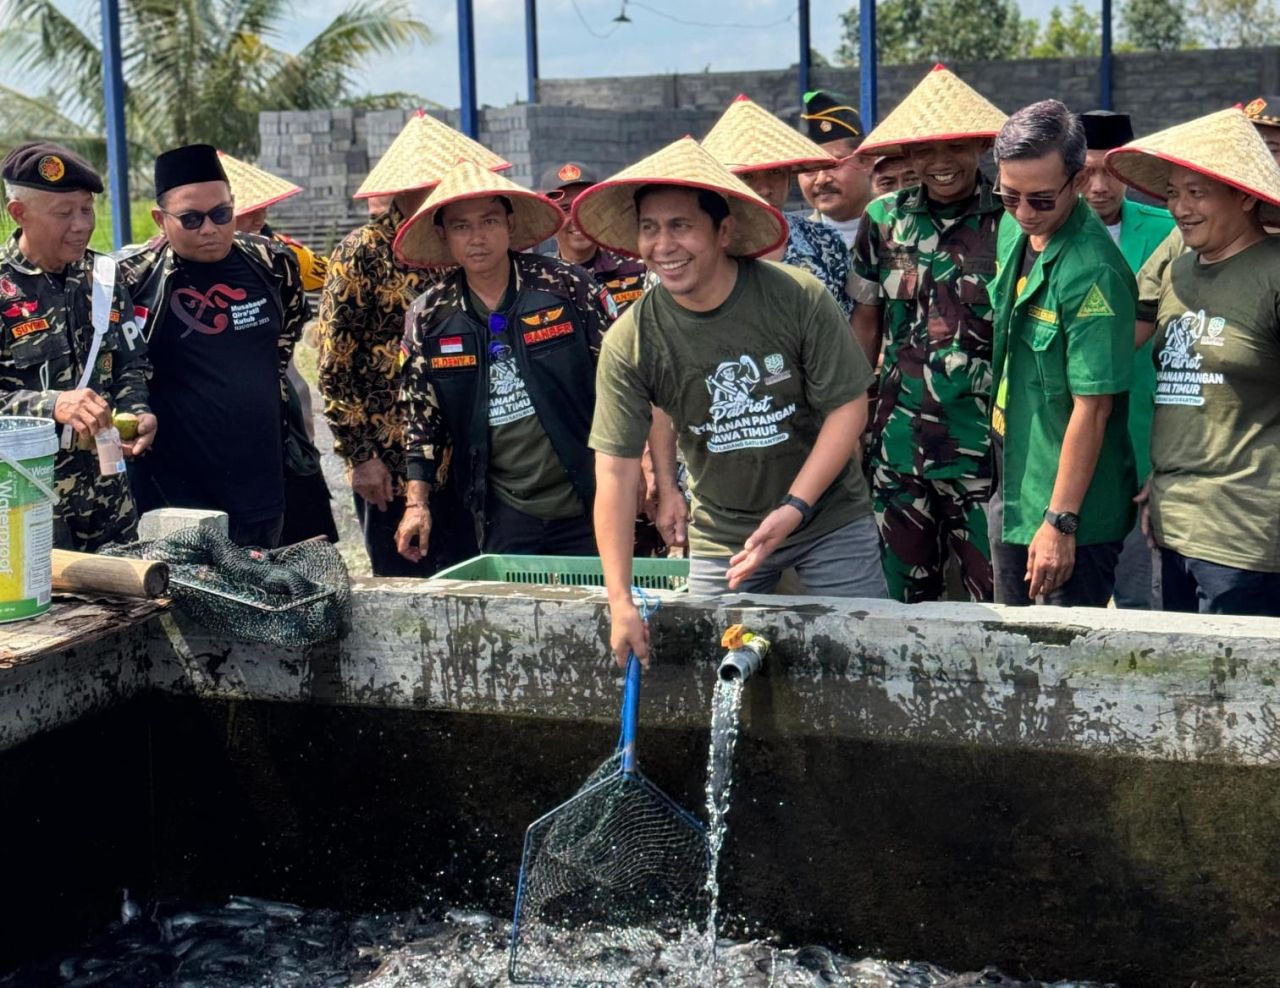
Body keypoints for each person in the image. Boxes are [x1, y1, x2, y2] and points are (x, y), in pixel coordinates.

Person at [573, 137, 886, 665]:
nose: (663, 245)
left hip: (827, 516)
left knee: (866, 658)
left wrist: (794, 508)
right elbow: (616, 474)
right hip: (724, 532)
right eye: (649, 228)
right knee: (707, 666)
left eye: (680, 226)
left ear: (723, 232)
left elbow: (848, 409)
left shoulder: (795, 296)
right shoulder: (633, 339)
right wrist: (620, 599)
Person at [1108, 107, 1280, 616]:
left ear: (1246, 196)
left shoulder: (1272, 273)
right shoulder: (1176, 268)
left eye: (1197, 193)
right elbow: (1175, 390)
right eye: (1172, 193)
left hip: (1247, 537)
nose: (1180, 208)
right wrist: (1162, 479)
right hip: (1173, 526)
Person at [319, 110, 505, 575]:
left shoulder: (459, 245)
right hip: (393, 459)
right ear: (408, 188)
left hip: (466, 451)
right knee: (405, 583)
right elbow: (334, 368)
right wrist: (362, 458)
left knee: (472, 578)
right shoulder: (362, 253)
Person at [395, 160, 611, 560]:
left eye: (489, 221)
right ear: (443, 236)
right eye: (462, 226)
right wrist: (416, 504)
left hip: (589, 491)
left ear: (510, 224)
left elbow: (621, 383)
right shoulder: (429, 315)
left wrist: (643, 469)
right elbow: (420, 419)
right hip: (501, 506)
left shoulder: (566, 286)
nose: (478, 238)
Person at [848, 64, 1007, 603]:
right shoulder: (883, 218)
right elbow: (865, 322)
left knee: (999, 601)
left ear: (982, 145)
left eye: (956, 146)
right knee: (903, 602)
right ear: (908, 155)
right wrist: (852, 418)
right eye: (925, 149)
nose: (940, 162)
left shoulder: (1011, 219)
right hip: (899, 447)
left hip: (986, 449)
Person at [116, 144, 308, 548]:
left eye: (222, 214)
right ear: (160, 219)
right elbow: (122, 369)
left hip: (261, 483)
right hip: (176, 497)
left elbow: (284, 341)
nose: (210, 229)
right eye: (191, 219)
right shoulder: (133, 281)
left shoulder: (272, 262)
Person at [987, 100, 1137, 607]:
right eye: (1011, 197)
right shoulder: (1016, 229)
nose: (1025, 213)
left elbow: (1093, 409)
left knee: (1063, 665)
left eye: (1041, 200)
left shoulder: (1095, 272)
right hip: (1014, 476)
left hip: (1070, 506)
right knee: (1010, 649)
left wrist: (1060, 523)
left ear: (1076, 181)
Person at [0, 141, 153, 550]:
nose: (81, 224)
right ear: (19, 213)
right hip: (27, 501)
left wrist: (137, 410)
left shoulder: (103, 276)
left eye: (86, 209)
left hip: (109, 499)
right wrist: (51, 405)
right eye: (64, 213)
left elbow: (130, 363)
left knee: (128, 605)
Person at [1077, 110, 1176, 610]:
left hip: (1144, 436)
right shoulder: (1038, 234)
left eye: (1111, 172)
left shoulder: (1168, 231)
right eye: (1086, 172)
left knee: (1145, 597)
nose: (1099, 187)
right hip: (1071, 440)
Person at [219, 149, 337, 544]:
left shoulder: (283, 253)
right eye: (246, 210)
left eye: (262, 209)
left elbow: (330, 276)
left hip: (280, 380)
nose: (258, 218)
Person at [701, 94, 856, 321]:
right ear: (724, 184)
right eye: (747, 176)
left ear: (789, 175)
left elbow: (846, 329)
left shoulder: (824, 242)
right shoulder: (696, 251)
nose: (764, 189)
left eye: (774, 172)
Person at [540, 162, 647, 314]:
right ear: (550, 218)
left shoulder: (638, 268)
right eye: (565, 209)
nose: (577, 218)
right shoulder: (539, 280)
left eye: (585, 207)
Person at [219, 150, 329, 292]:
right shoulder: (193, 256)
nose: (259, 221)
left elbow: (335, 275)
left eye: (263, 209)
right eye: (250, 213)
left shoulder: (285, 252)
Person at [797, 90, 874, 248]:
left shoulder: (904, 230)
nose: (821, 179)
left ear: (866, 162)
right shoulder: (791, 242)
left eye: (833, 165)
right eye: (809, 168)